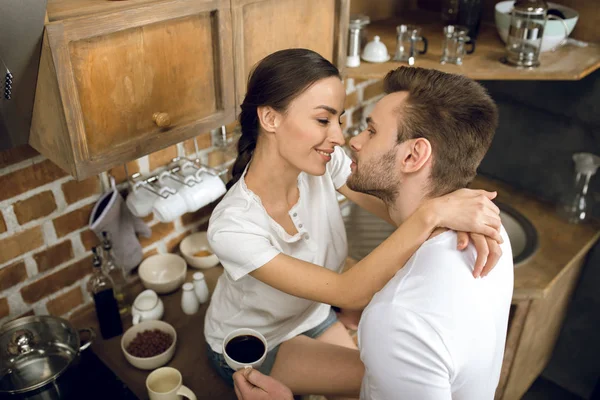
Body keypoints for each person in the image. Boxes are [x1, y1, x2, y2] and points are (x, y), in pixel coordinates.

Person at [205, 48, 503, 398]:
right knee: (380, 377)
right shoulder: (232, 226)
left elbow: (397, 207)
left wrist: (458, 215)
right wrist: (434, 213)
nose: (340, 138)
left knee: (383, 373)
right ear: (270, 119)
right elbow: (348, 292)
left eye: (339, 120)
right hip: (256, 343)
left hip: (314, 317)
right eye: (322, 120)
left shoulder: (325, 166)